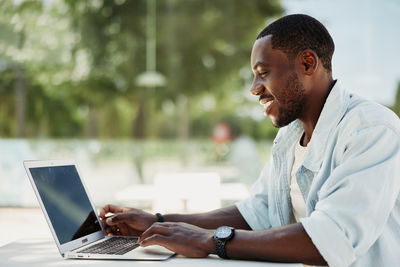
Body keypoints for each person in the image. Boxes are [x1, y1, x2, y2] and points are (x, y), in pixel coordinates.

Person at [99, 14, 400, 267]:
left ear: (308, 64)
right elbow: (254, 213)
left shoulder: (372, 130)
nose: (255, 89)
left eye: (263, 73)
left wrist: (210, 241)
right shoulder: (289, 137)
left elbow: (331, 236)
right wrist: (158, 220)